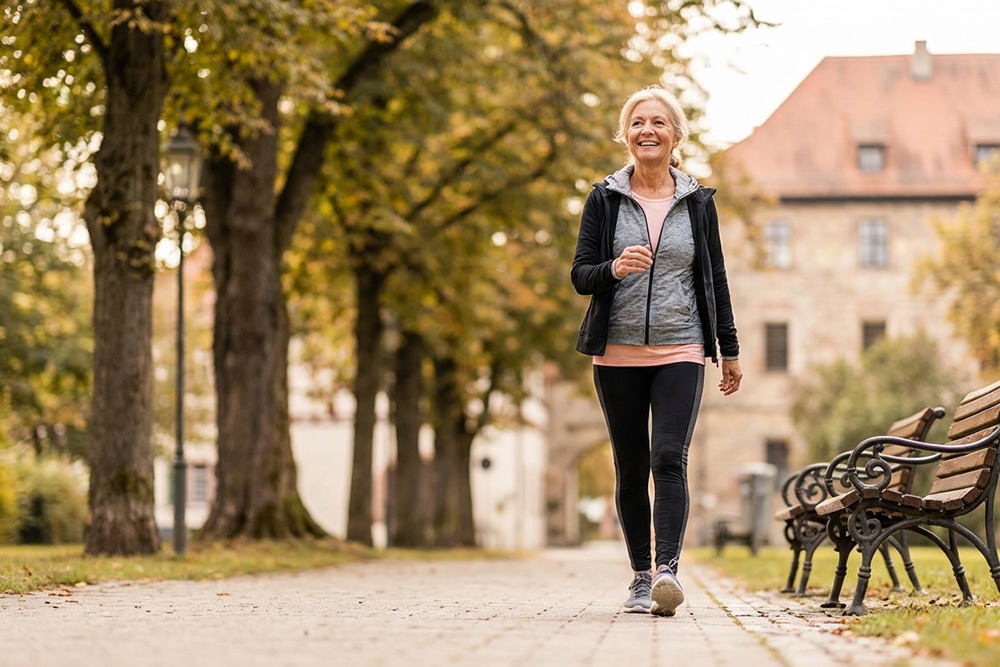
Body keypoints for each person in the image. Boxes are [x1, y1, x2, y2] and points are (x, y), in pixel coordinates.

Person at [571, 85, 742, 617]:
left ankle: (668, 571)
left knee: (669, 457)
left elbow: (713, 276)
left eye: (659, 123)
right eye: (638, 122)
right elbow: (580, 276)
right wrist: (614, 268)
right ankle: (640, 576)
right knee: (629, 464)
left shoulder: (697, 202)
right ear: (626, 135)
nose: (648, 130)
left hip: (681, 347)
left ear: (676, 136)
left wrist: (728, 349)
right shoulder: (602, 198)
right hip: (617, 352)